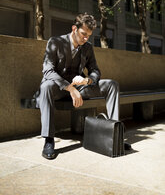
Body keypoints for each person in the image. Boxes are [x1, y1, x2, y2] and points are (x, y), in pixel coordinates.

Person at [37, 13, 131, 160]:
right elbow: (48, 71)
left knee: (112, 84)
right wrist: (70, 88)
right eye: (83, 34)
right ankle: (49, 140)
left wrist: (87, 80)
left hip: (80, 88)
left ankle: (115, 136)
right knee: (46, 86)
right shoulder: (55, 42)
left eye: (89, 35)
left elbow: (95, 70)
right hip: (58, 88)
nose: (86, 38)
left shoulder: (87, 47)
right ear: (74, 28)